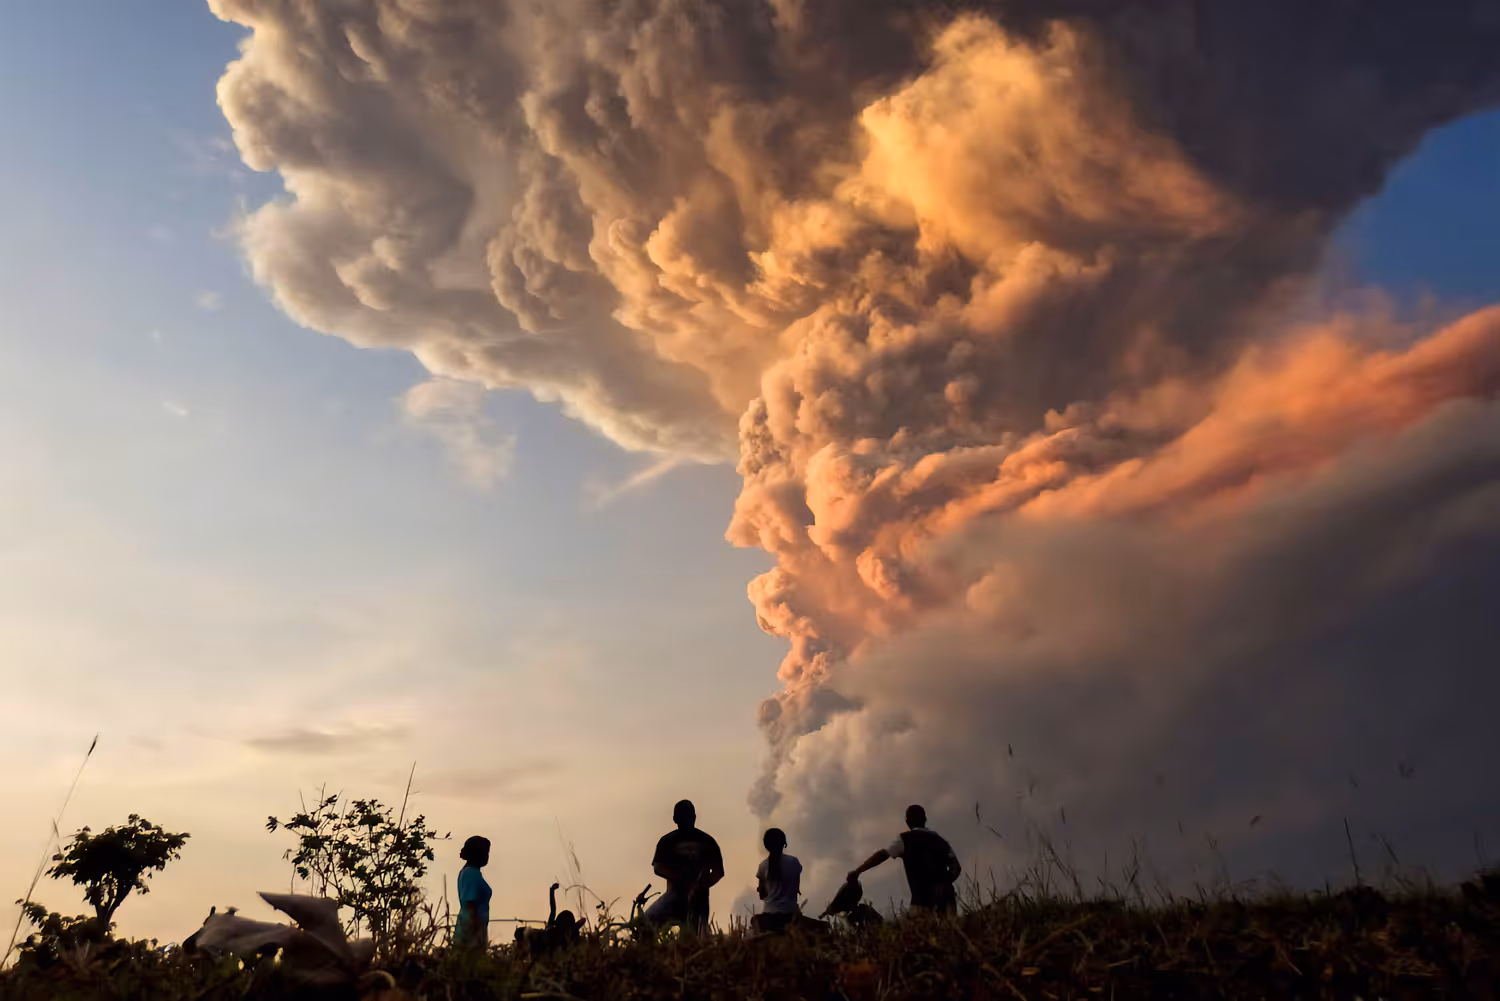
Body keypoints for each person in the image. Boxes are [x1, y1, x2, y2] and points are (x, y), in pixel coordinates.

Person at [847, 805, 961, 915]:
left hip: (921, 903)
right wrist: (944, 883)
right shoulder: (940, 841)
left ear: (907, 821)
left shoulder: (906, 840)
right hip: (947, 900)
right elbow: (956, 867)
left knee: (917, 931)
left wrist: (858, 871)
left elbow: (882, 855)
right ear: (925, 819)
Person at [645, 799, 724, 934]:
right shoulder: (705, 840)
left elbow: (658, 867)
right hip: (678, 896)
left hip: (695, 899)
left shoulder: (670, 840)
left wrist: (698, 886)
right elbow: (658, 867)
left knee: (647, 924)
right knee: (647, 925)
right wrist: (686, 882)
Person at [753, 827, 803, 933]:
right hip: (791, 915)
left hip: (769, 916)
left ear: (766, 846)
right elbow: (796, 887)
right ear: (784, 843)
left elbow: (762, 895)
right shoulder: (794, 862)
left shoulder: (763, 866)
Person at [455, 835, 493, 949]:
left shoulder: (468, 872)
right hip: (471, 929)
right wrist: (475, 932)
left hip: (474, 927)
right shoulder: (471, 874)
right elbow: (470, 903)